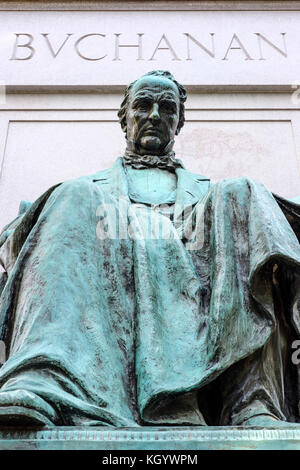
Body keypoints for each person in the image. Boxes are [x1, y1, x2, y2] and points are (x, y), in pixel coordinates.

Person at [0, 70, 299, 427]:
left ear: (178, 122)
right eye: (143, 106)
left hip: (198, 286)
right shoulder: (85, 193)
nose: (155, 115)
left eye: (167, 108)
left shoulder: (214, 199)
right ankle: (43, 380)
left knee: (243, 190)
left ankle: (251, 404)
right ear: (124, 119)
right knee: (70, 195)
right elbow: (23, 239)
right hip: (112, 285)